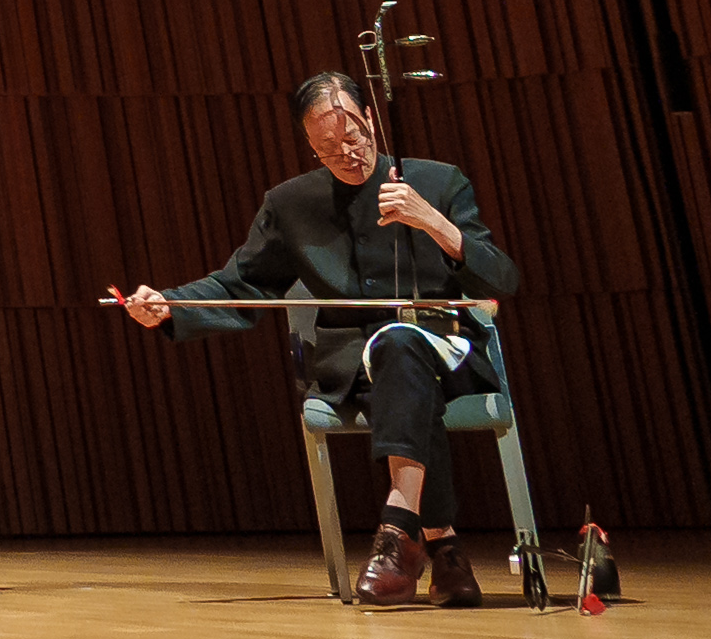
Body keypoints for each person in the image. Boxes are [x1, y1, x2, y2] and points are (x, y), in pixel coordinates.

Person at [111, 69, 524, 607]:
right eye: (328, 147)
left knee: (403, 349)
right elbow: (243, 285)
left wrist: (435, 224)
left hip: (446, 348)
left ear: (370, 117)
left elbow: (501, 279)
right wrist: (170, 305)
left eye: (353, 136)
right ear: (308, 144)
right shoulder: (291, 204)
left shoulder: (438, 181)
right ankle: (442, 546)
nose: (347, 152)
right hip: (355, 363)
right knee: (397, 360)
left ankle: (401, 532)